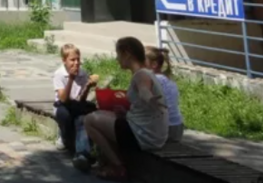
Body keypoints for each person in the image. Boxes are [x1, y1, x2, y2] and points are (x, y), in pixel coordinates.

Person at [83, 36, 168, 181]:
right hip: (151, 134)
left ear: (127, 53)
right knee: (101, 114)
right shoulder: (145, 73)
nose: (117, 59)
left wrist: (150, 99)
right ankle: (111, 162)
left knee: (89, 120)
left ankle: (118, 167)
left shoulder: (141, 75)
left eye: (118, 54)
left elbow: (144, 90)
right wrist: (126, 113)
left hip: (143, 136)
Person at [52, 44, 98, 167]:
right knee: (64, 115)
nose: (76, 63)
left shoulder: (82, 73)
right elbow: (63, 99)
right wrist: (71, 79)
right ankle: (63, 135)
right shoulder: (59, 74)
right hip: (63, 106)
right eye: (72, 60)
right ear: (64, 60)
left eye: (78, 59)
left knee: (82, 119)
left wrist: (87, 86)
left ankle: (82, 154)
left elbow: (81, 100)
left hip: (76, 105)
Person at [146, 46, 184, 142]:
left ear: (154, 64)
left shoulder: (153, 80)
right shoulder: (167, 79)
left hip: (164, 129)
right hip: (177, 127)